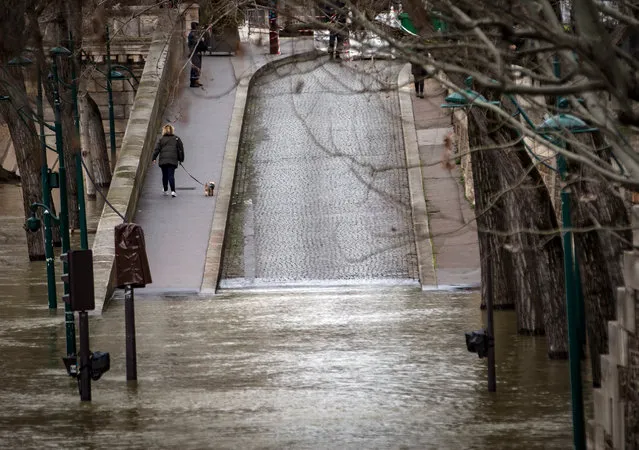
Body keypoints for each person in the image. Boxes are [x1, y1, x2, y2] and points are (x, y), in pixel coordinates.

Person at [152, 124, 185, 197]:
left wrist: (154, 158)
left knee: (165, 175)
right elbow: (181, 150)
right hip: (172, 160)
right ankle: (173, 191)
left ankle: (165, 189)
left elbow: (157, 149)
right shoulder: (176, 138)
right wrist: (181, 159)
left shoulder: (161, 139)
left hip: (163, 160)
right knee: (171, 175)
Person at [187, 22, 208, 87]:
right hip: (194, 52)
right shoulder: (192, 34)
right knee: (196, 65)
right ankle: (193, 82)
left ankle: (196, 80)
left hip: (197, 52)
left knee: (198, 65)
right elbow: (197, 42)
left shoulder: (195, 34)